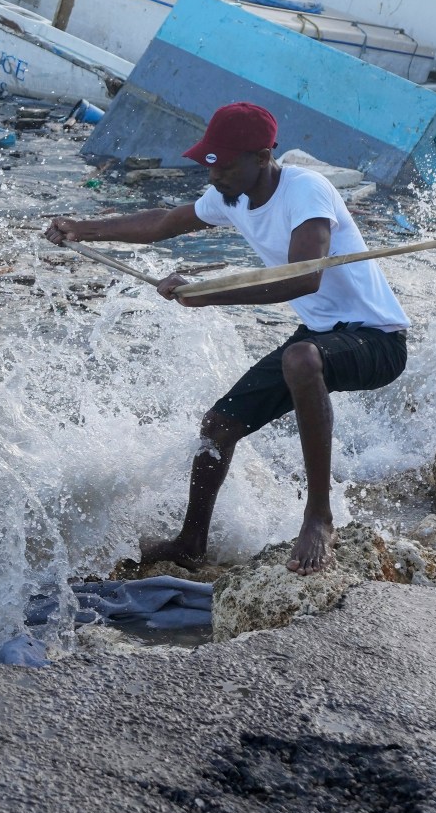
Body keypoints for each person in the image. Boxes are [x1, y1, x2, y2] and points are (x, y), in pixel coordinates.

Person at [45, 102, 410, 575]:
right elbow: (161, 223)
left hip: (377, 340)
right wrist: (85, 228)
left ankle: (319, 516)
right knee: (218, 426)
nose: (214, 177)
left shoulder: (307, 191)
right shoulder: (229, 195)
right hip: (322, 336)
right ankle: (190, 542)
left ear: (263, 157)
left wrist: (207, 295)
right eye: (209, 164)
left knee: (300, 359)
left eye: (226, 166)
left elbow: (302, 279)